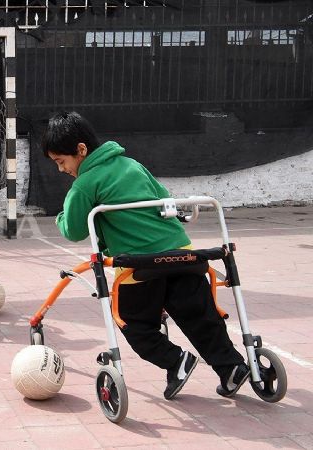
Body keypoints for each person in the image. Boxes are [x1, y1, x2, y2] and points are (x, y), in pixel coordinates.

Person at [42, 111, 249, 400]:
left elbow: (74, 230)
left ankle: (175, 360)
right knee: (201, 318)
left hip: (140, 266)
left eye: (60, 162)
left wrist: (61, 216)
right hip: (183, 255)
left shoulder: (84, 184)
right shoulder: (133, 165)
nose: (61, 170)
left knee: (134, 323)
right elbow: (165, 198)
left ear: (81, 150)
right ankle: (233, 368)